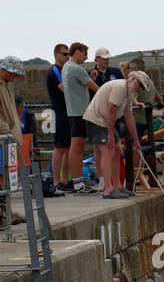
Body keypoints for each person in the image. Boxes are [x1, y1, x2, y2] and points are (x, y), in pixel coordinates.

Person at [83, 70, 152, 199]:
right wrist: (110, 134)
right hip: (97, 119)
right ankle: (108, 189)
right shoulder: (120, 88)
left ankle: (118, 186)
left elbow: (129, 117)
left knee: (117, 151)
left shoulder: (128, 92)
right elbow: (111, 110)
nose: (140, 88)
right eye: (140, 84)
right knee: (108, 152)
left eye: (142, 87)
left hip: (105, 120)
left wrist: (136, 140)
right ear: (132, 79)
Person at [61, 44, 97, 194]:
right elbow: (95, 88)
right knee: (77, 146)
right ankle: (77, 183)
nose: (87, 57)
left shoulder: (66, 67)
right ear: (77, 52)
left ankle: (77, 182)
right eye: (85, 53)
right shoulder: (76, 68)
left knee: (76, 147)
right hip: (79, 112)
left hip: (73, 112)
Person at [0, 57, 27, 223]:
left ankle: (6, 212)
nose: (15, 77)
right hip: (3, 137)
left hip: (8, 139)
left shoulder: (7, 84)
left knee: (7, 177)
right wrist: (6, 131)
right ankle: (4, 213)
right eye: (13, 73)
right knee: (1, 177)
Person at [44, 45, 72, 194]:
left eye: (69, 54)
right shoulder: (54, 71)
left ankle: (65, 180)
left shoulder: (65, 70)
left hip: (68, 111)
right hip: (59, 111)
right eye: (64, 54)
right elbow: (65, 88)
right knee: (60, 147)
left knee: (68, 148)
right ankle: (56, 181)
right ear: (56, 55)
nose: (67, 56)